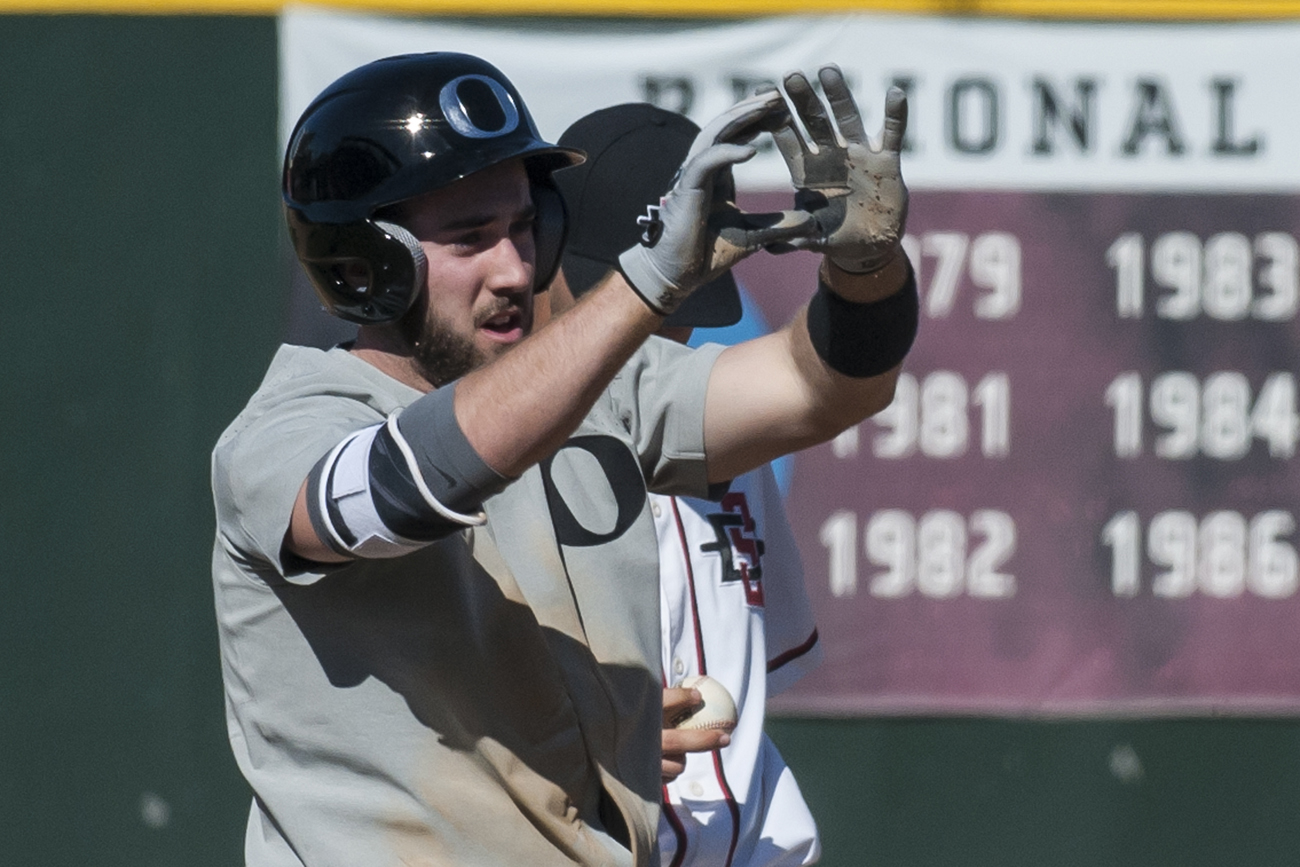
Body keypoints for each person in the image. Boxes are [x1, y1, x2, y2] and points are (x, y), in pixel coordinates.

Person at [211, 50, 915, 867]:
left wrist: (865, 269)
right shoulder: (290, 424)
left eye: (524, 225)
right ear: (364, 264)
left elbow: (819, 385)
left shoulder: (600, 394)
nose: (513, 268)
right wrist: (646, 280)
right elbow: (406, 487)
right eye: (472, 238)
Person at [551, 103, 824, 867]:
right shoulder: (488, 453)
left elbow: (750, 697)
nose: (659, 324)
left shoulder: (724, 442)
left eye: (680, 298)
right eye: (633, 288)